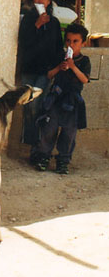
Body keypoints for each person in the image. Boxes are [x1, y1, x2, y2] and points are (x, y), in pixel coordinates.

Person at [34, 23, 91, 174]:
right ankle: (43, 157)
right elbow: (49, 75)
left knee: (69, 132)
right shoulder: (59, 57)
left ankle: (63, 160)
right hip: (55, 99)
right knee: (49, 128)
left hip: (72, 102)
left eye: (75, 41)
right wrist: (60, 67)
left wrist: (73, 67)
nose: (71, 45)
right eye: (68, 41)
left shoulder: (84, 61)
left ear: (83, 43)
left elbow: (84, 79)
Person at [18, 0, 63, 164]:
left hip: (46, 72)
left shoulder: (54, 22)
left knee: (42, 107)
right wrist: (36, 24)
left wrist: (58, 68)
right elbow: (24, 43)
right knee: (29, 108)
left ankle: (41, 149)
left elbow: (58, 48)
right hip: (29, 70)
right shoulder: (28, 19)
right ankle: (31, 147)